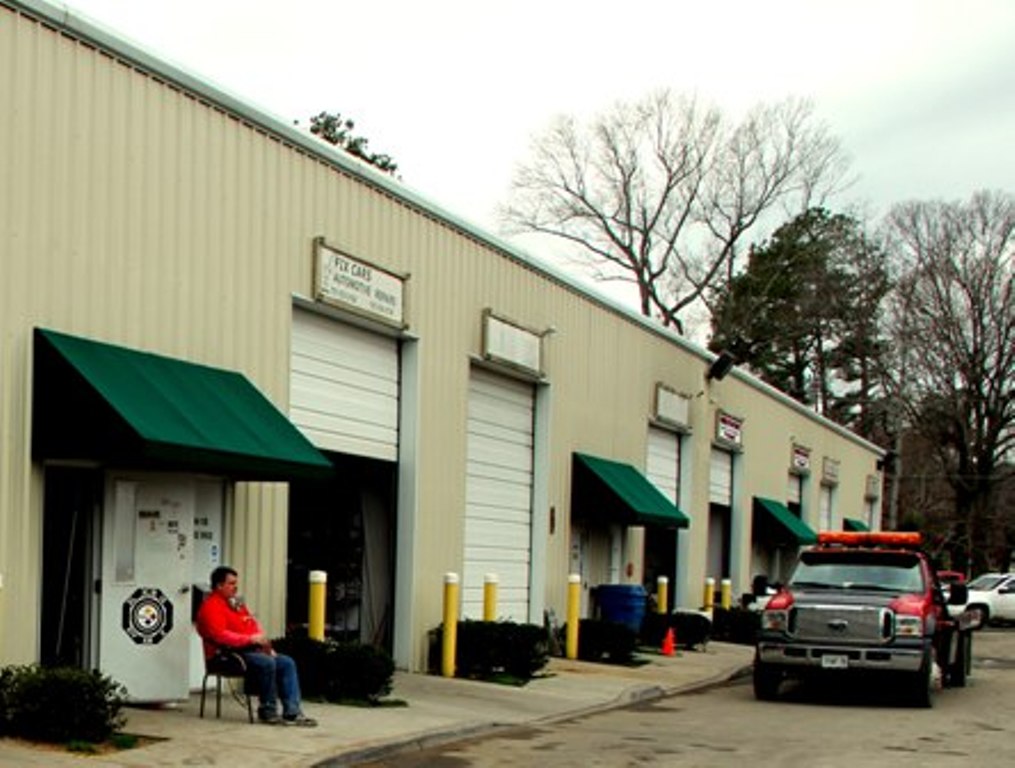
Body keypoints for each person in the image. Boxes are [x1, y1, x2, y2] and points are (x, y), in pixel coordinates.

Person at [195, 565, 317, 726]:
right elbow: (220, 635)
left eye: (235, 583)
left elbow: (251, 625)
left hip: (248, 651)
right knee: (266, 663)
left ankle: (292, 712)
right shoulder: (211, 607)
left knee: (286, 662)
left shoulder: (236, 604)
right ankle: (267, 710)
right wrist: (250, 639)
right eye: (231, 583)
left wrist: (266, 646)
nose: (235, 587)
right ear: (219, 586)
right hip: (224, 655)